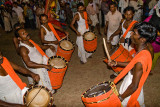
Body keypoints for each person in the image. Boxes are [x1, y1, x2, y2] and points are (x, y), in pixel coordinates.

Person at [108, 22, 157, 107]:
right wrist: (116, 63)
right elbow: (133, 64)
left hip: (132, 83)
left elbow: (134, 86)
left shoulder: (140, 60)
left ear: (142, 39)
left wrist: (120, 98)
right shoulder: (147, 46)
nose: (130, 33)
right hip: (135, 77)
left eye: (134, 33)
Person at [15, 28, 55, 93]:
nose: (26, 33)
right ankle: (47, 97)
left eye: (25, 31)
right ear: (19, 38)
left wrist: (49, 46)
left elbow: (40, 47)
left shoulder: (30, 41)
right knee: (42, 85)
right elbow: (28, 64)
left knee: (46, 79)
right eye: (23, 34)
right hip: (36, 68)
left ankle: (51, 90)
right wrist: (44, 66)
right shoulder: (23, 48)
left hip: (40, 65)